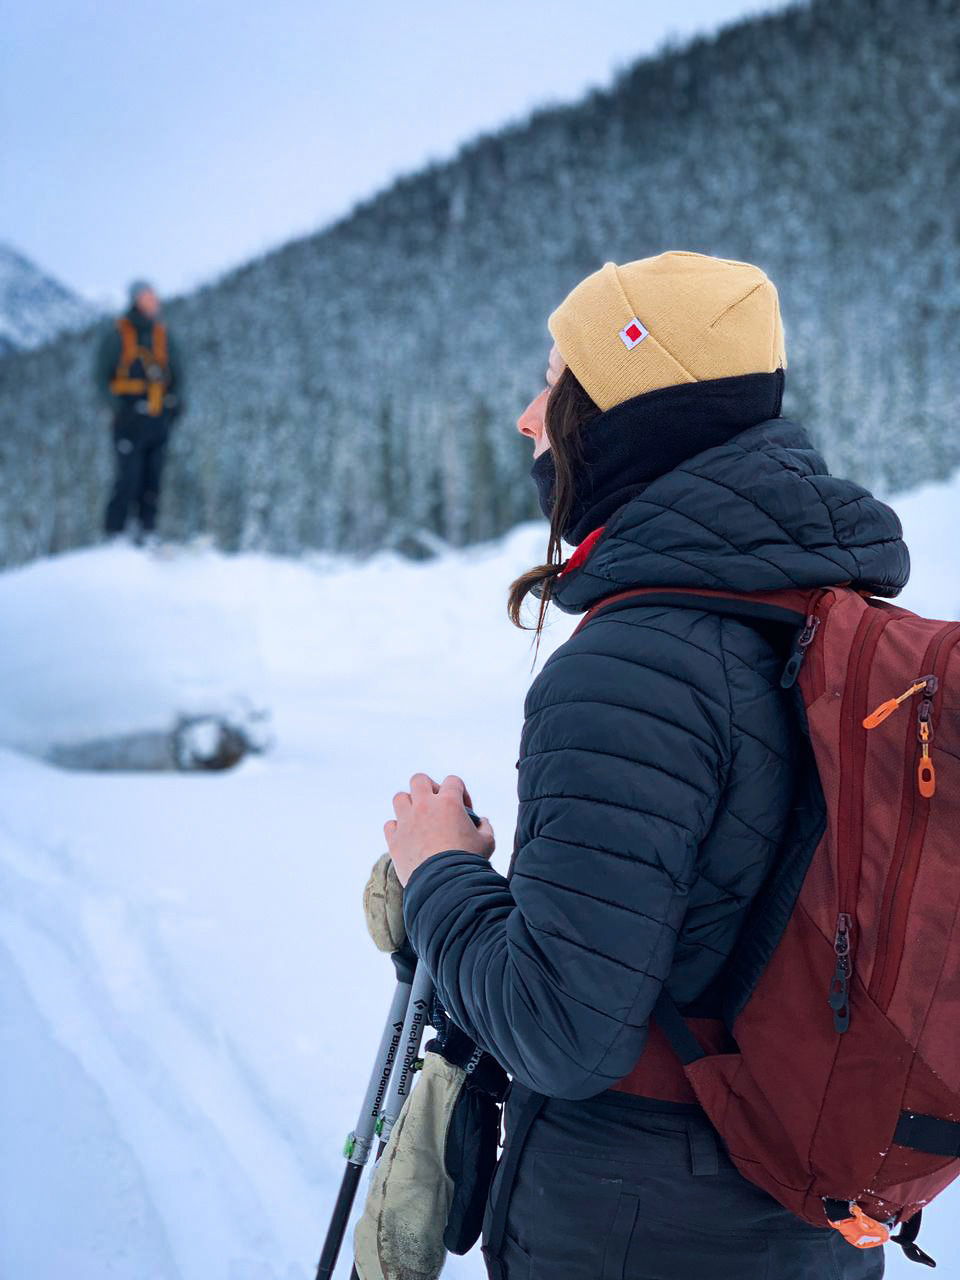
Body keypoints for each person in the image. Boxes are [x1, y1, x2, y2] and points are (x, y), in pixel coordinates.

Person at [382, 252, 907, 1278]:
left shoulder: (632, 668)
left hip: (634, 1226)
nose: (528, 418)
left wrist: (435, 870)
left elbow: (561, 1029)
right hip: (813, 1214)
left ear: (628, 416)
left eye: (554, 384)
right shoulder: (836, 620)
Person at [95, 279, 184, 543]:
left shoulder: (163, 336)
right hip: (128, 418)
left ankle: (148, 531)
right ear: (135, 300)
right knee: (128, 476)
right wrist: (117, 407)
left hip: (158, 415)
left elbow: (179, 373)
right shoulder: (118, 336)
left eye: (153, 297)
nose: (152, 302)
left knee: (153, 477)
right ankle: (116, 533)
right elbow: (100, 376)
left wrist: (177, 402)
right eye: (147, 297)